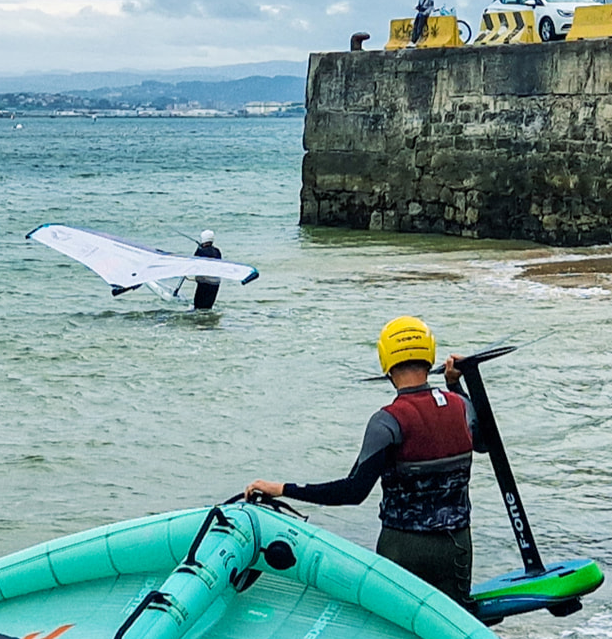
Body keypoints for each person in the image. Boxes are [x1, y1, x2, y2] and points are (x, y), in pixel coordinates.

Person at [246, 316, 481, 604]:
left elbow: (353, 492)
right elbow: (482, 442)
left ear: (385, 360)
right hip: (457, 546)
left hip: (403, 548)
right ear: (429, 354)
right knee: (452, 631)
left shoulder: (387, 421)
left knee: (399, 636)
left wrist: (283, 489)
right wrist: (454, 385)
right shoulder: (460, 406)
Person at [191, 230, 223, 312]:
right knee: (208, 307)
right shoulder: (217, 251)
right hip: (215, 283)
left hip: (204, 283)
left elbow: (194, 261)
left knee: (198, 306)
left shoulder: (201, 251)